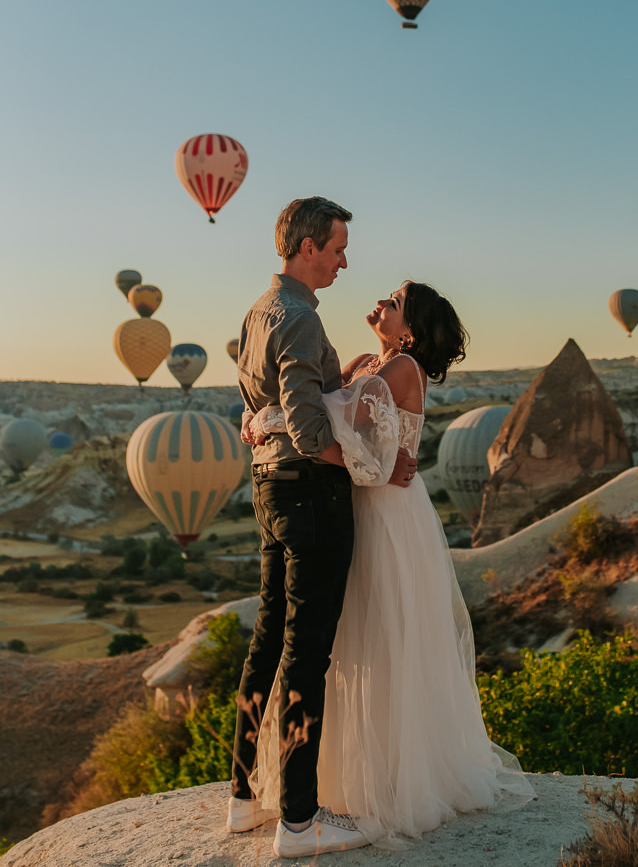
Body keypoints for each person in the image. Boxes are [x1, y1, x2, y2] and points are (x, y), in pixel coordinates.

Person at [249, 280, 536, 852]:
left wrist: (269, 421)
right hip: (357, 506)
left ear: (409, 328)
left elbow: (339, 430)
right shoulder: (365, 362)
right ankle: (348, 778)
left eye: (395, 301)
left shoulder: (403, 368)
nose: (381, 300)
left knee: (384, 642)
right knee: (348, 644)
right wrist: (270, 416)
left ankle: (397, 781)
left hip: (387, 516)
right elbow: (325, 416)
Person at [227, 197, 417, 857]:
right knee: (309, 652)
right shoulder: (302, 319)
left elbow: (269, 405)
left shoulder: (260, 310)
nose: (343, 261)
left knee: (268, 636)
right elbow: (311, 432)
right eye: (337, 249)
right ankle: (301, 821)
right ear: (308, 248)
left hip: (267, 487)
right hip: (311, 494)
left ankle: (244, 797)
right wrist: (367, 467)